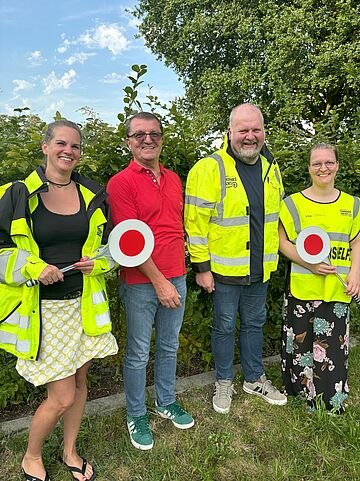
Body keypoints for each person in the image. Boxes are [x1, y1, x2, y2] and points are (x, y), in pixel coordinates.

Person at [0, 120, 118, 481]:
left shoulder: (92, 195)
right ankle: (31, 456)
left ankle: (69, 451)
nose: (69, 151)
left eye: (76, 146)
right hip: (43, 312)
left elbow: (110, 251)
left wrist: (96, 263)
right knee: (62, 396)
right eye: (62, 144)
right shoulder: (16, 194)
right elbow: (2, 251)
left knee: (81, 385)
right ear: (45, 147)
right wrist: (35, 267)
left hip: (82, 306)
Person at [184, 103, 287, 414]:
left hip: (260, 267)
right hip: (224, 271)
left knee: (255, 323)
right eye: (243, 130)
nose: (250, 136)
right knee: (225, 326)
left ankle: (254, 379)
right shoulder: (209, 168)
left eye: (256, 129)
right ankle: (224, 381)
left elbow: (276, 216)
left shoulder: (272, 167)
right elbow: (195, 224)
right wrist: (201, 268)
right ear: (230, 132)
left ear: (264, 132)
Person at [106, 112, 194, 451]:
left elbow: (174, 227)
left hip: (178, 275)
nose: (148, 139)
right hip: (143, 280)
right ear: (128, 141)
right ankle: (137, 413)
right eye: (139, 134)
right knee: (139, 352)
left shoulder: (174, 179)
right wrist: (160, 282)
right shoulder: (121, 183)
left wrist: (176, 276)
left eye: (154, 133)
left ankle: (166, 401)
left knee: (169, 345)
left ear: (161, 138)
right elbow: (129, 241)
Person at [279, 143, 360, 413]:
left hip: (336, 289)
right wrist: (308, 263)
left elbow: (356, 243)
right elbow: (281, 241)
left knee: (333, 348)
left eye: (328, 162)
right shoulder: (292, 203)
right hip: (302, 288)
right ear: (309, 167)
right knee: (300, 344)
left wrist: (356, 274)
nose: (323, 168)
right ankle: (301, 395)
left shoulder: (352, 204)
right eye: (317, 163)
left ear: (337, 165)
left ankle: (331, 396)